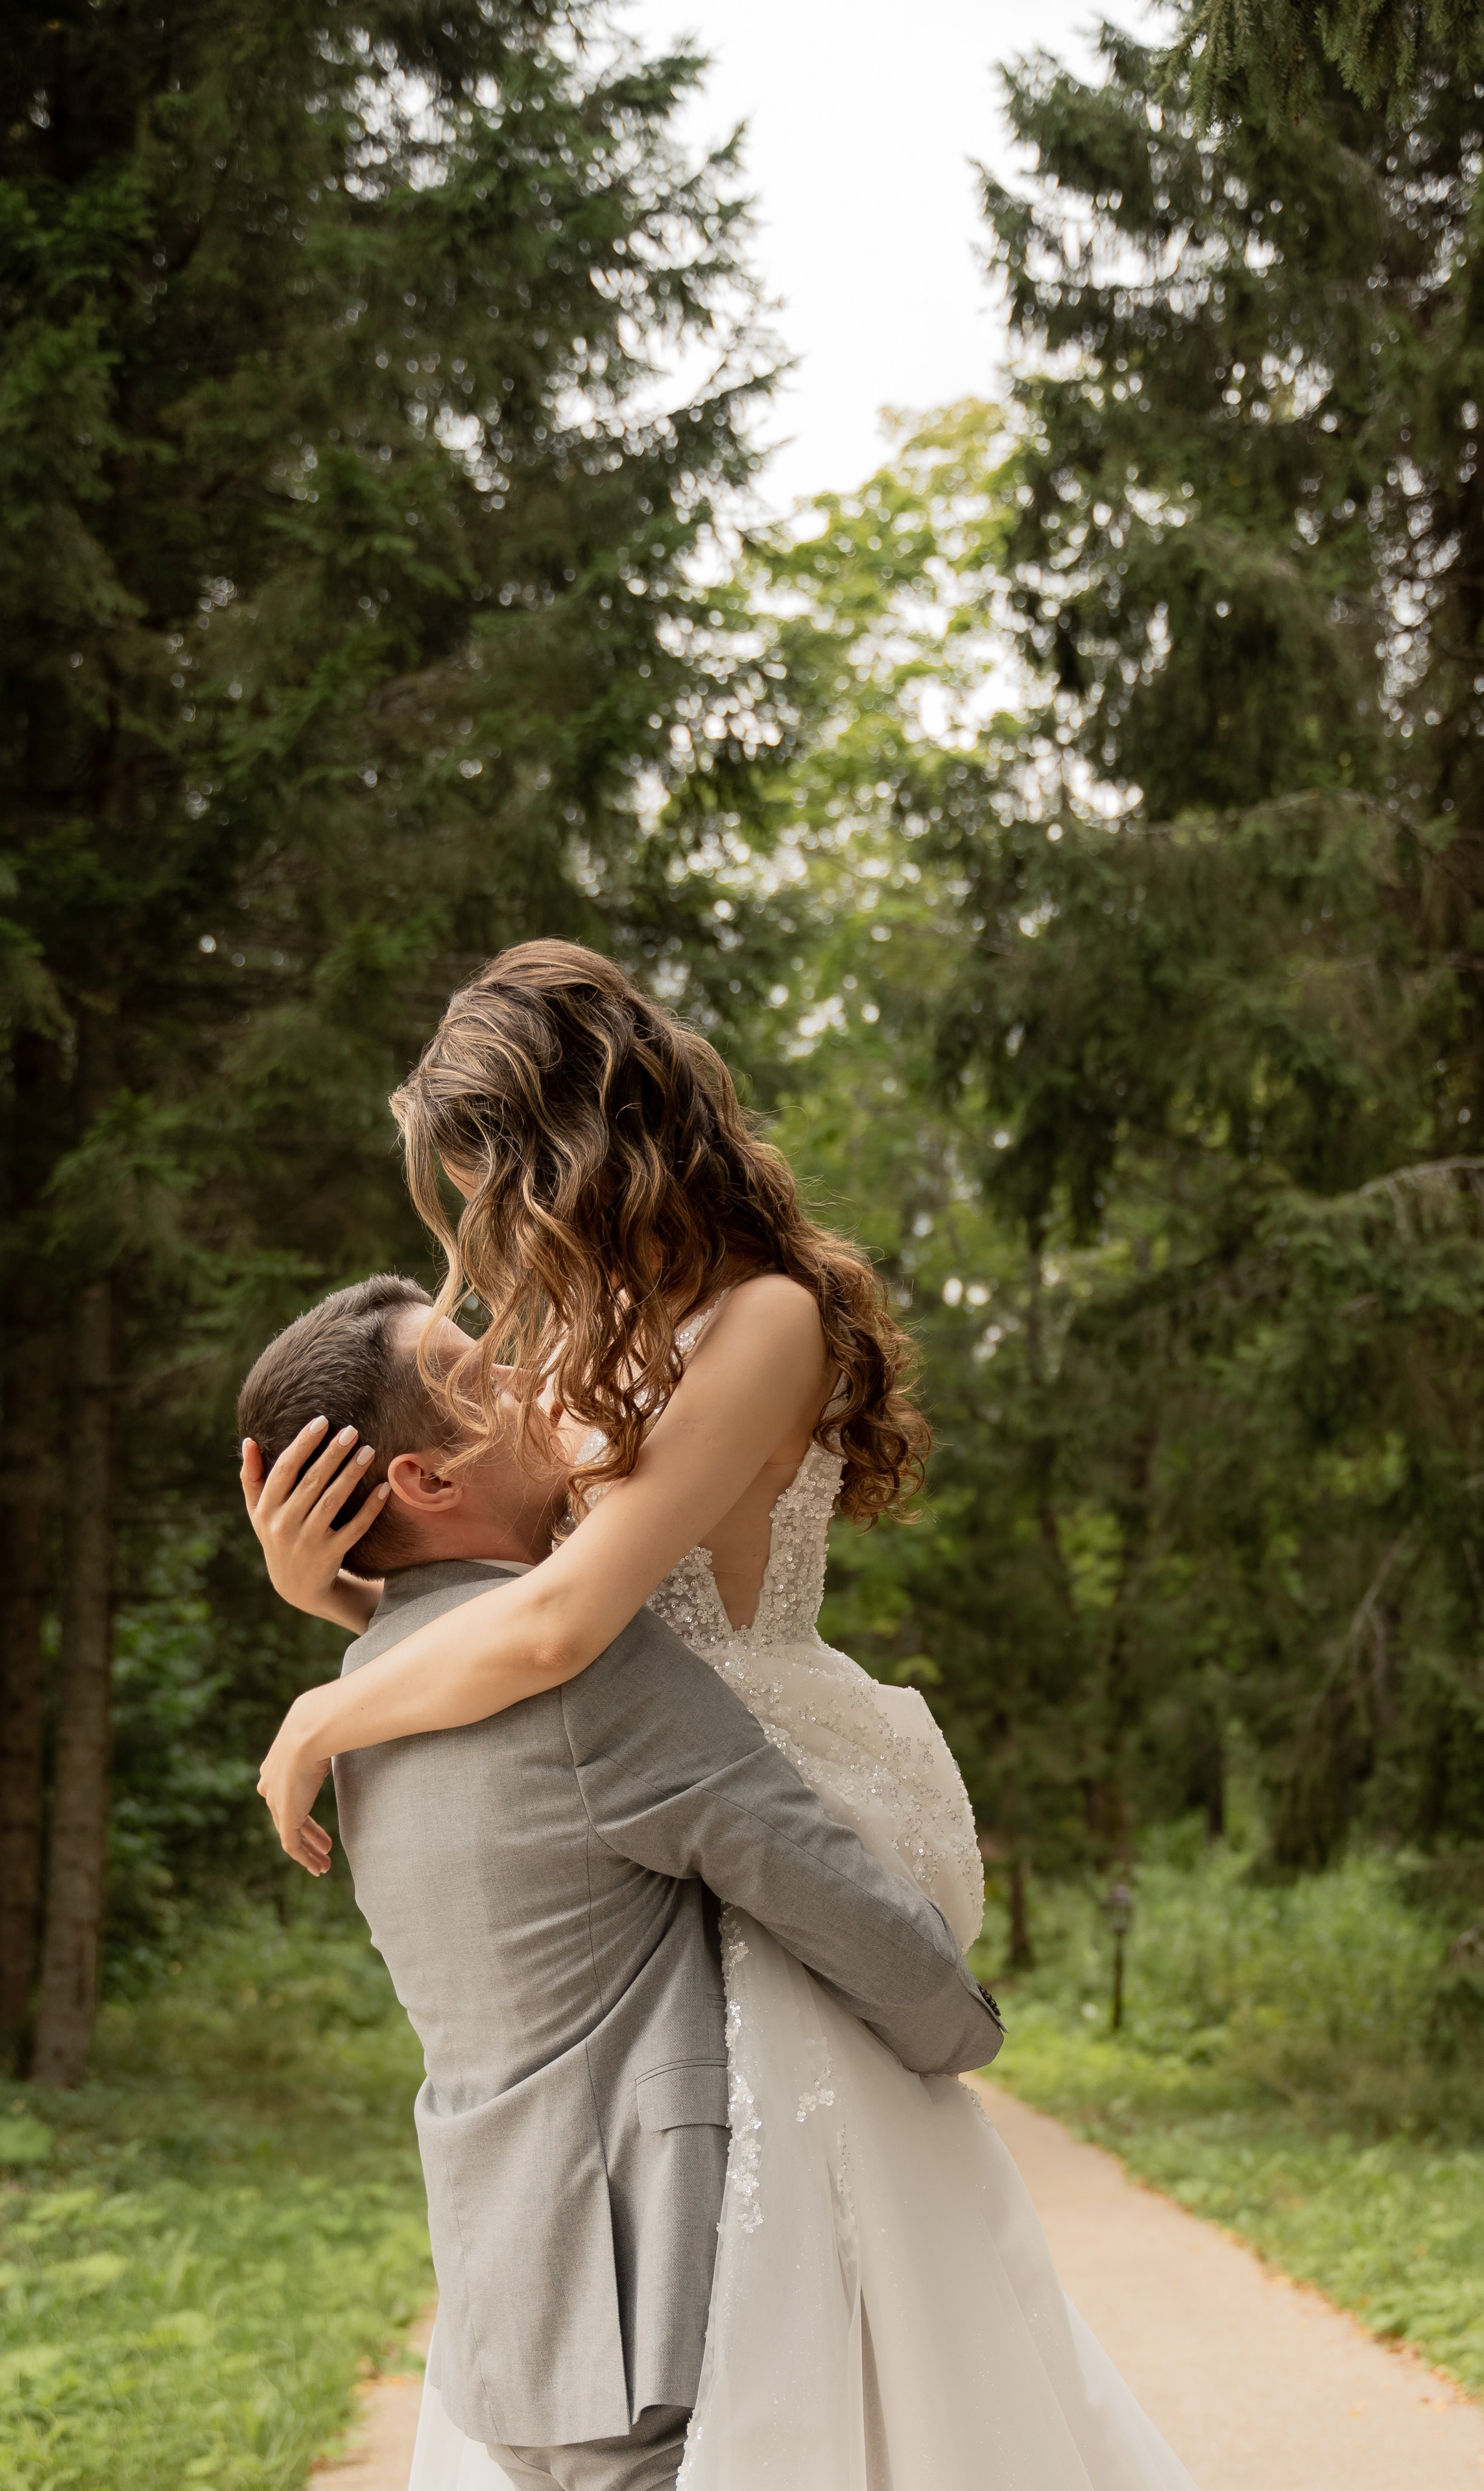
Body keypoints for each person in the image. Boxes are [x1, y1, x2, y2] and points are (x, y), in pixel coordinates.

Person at [243, 939, 1199, 2491]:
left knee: (828, 2311)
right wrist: (345, 1602)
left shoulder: (761, 1320)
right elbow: (528, 1655)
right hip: (649, 1806)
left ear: (563, 1152)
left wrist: (317, 1716)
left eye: (485, 1190)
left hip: (750, 1789)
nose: (482, 1242)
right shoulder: (571, 1348)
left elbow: (559, 1627)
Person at [237, 1274, 1002, 2491]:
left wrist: (330, 1594)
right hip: (654, 2310)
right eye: (482, 1377)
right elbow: (814, 1876)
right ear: (423, 1481)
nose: (529, 1378)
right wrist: (958, 2030)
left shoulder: (369, 1692)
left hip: (508, 2316)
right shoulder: (590, 1678)